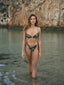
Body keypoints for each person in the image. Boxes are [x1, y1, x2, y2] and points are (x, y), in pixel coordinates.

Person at [21, 14, 41, 79]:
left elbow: (39, 41)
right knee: (29, 62)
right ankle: (30, 75)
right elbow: (24, 40)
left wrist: (40, 51)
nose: (33, 20)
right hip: (28, 47)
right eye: (31, 19)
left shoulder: (38, 29)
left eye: (34, 19)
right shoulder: (26, 29)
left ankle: (33, 81)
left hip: (35, 47)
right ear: (29, 20)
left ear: (36, 20)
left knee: (34, 65)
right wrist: (22, 52)